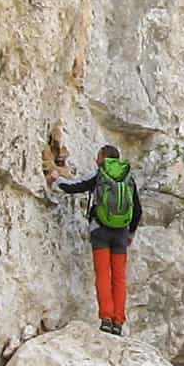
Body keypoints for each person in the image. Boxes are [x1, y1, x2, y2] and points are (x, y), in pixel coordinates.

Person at [56, 143, 140, 335]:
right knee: (119, 278)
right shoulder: (128, 179)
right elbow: (137, 209)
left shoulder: (100, 175)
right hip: (121, 234)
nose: (96, 160)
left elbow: (76, 186)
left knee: (103, 275)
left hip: (100, 231)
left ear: (103, 158)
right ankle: (119, 321)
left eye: (98, 156)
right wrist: (131, 233)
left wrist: (56, 181)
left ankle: (106, 319)